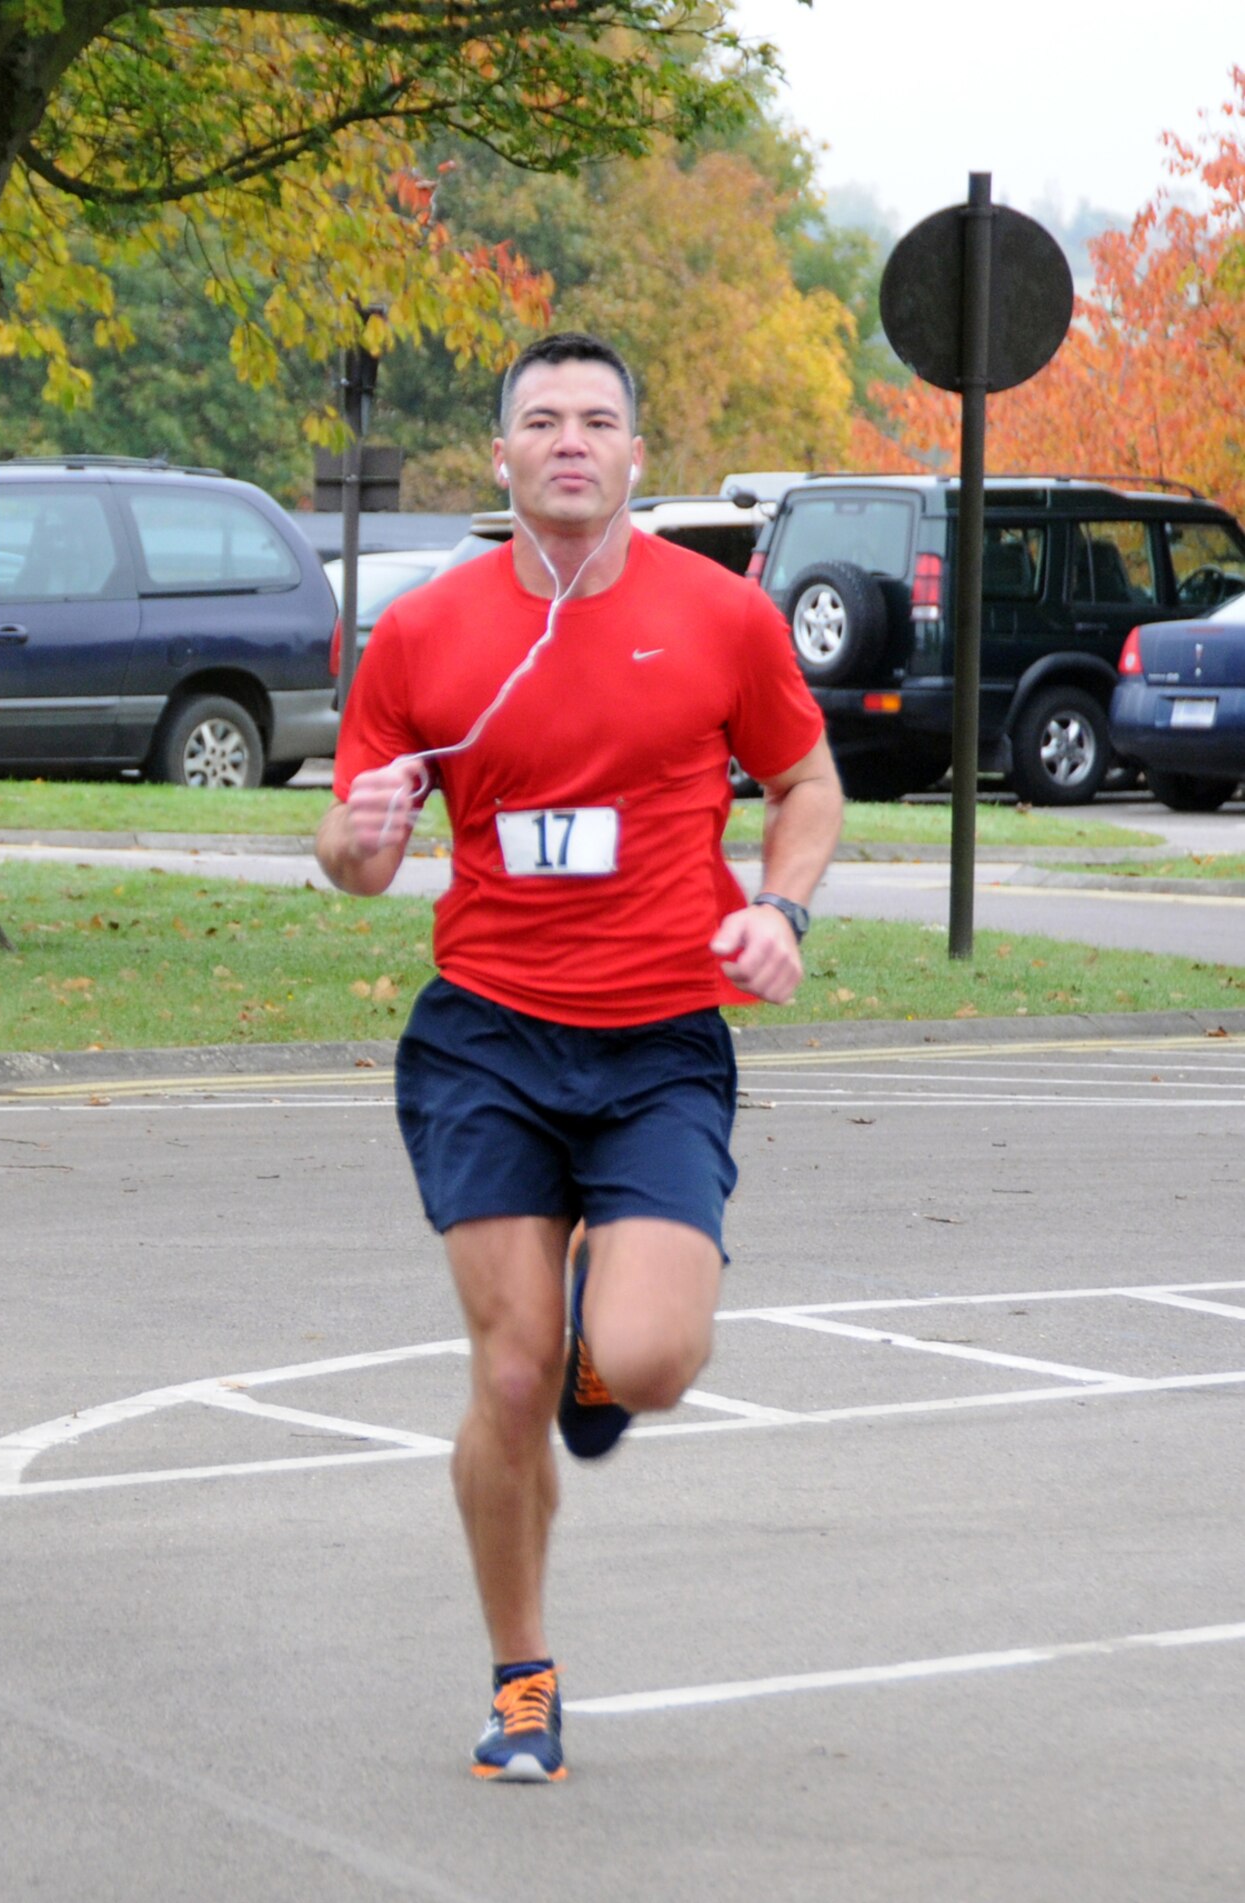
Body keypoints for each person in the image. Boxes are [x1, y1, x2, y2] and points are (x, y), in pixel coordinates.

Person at [316, 331, 843, 1782]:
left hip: (660, 1037)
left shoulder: (720, 617)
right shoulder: (425, 633)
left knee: (651, 1359)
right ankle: (522, 1678)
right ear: (498, 456)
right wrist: (358, 840)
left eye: (596, 421)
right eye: (540, 420)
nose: (568, 441)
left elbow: (805, 780)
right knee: (507, 1376)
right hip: (487, 1037)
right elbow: (353, 854)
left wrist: (781, 910)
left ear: (634, 457)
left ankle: (598, 1359)